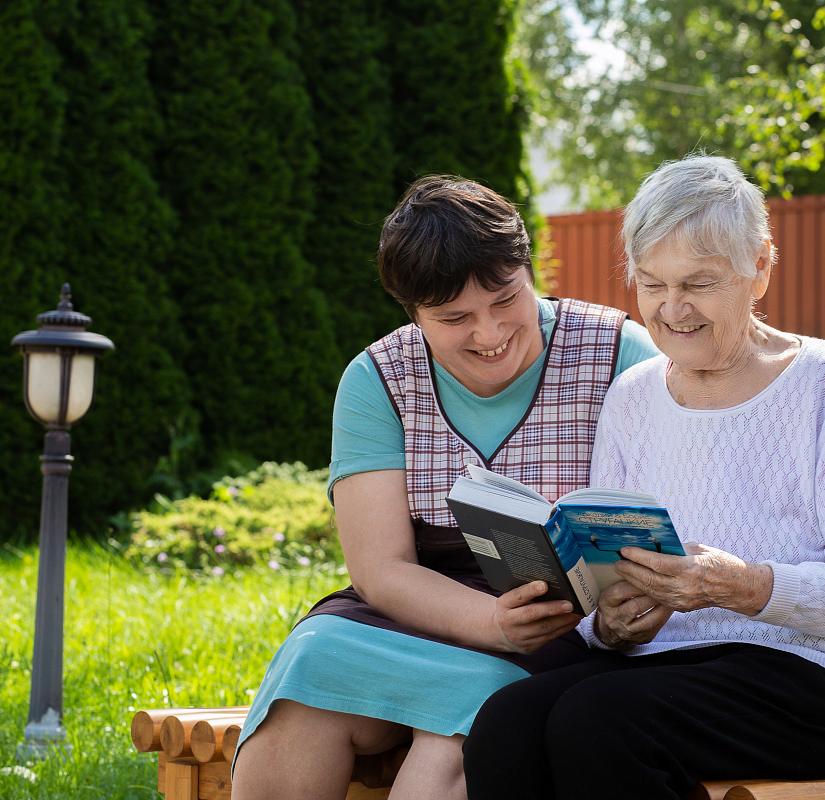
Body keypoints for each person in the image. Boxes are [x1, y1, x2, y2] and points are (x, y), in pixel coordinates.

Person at [463, 155, 825, 800]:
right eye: (651, 284)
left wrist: (747, 585)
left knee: (598, 722)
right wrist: (610, 622)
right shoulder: (632, 397)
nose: (672, 310)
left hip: (818, 678)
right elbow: (605, 593)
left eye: (699, 284)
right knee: (505, 724)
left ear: (759, 267)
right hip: (664, 664)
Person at [230, 176, 661, 800]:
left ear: (528, 269)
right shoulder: (376, 379)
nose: (489, 336)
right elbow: (380, 568)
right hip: (414, 606)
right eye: (454, 318)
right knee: (312, 665)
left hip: (566, 628)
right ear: (412, 312)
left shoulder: (622, 354)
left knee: (470, 726)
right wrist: (489, 621)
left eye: (505, 301)